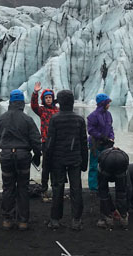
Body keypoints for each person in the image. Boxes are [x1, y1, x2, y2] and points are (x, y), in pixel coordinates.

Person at [0, 89, 42, 231]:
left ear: (10, 102)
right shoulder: (27, 119)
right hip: (23, 156)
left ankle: (7, 220)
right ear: (21, 103)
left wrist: (6, 144)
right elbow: (36, 140)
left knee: (8, 187)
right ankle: (23, 221)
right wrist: (37, 155)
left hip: (7, 156)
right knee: (23, 188)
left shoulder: (1, 118)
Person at [43, 90, 88, 231]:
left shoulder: (55, 119)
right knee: (76, 189)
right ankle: (76, 220)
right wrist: (84, 163)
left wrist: (47, 163)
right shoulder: (79, 120)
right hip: (75, 159)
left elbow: (50, 143)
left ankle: (55, 220)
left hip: (58, 159)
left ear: (60, 102)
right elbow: (83, 143)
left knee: (58, 188)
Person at [31, 81, 59, 202]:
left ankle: (54, 188)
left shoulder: (57, 111)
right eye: (46, 97)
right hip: (46, 142)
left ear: (53, 99)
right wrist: (35, 93)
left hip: (57, 143)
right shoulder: (42, 110)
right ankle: (44, 188)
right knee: (46, 166)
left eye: (50, 97)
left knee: (56, 166)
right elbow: (33, 106)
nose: (48, 99)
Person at [87, 93, 115, 191]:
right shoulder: (92, 116)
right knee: (94, 165)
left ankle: (103, 185)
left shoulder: (108, 115)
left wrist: (111, 137)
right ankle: (93, 187)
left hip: (106, 143)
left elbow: (110, 128)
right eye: (108, 103)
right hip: (95, 143)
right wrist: (101, 136)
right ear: (103, 103)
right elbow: (90, 130)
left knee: (105, 165)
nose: (109, 105)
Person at [96, 147, 130, 229]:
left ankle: (107, 217)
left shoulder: (103, 155)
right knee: (121, 192)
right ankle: (123, 217)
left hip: (106, 162)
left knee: (103, 191)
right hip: (122, 161)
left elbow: (102, 189)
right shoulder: (123, 156)